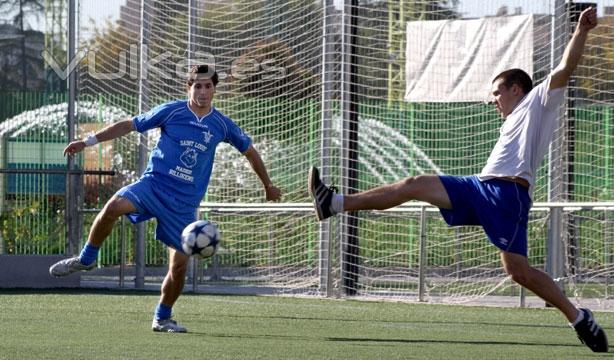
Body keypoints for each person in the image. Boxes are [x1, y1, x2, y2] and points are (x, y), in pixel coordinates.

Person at [308, 7, 607, 353]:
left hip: (507, 194)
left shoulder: (538, 101)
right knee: (415, 184)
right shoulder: (512, 119)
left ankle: (578, 317)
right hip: (481, 186)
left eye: (497, 92)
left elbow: (564, 69)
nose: (493, 99)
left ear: (515, 88)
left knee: (519, 272)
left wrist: (581, 31)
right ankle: (334, 202)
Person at [50, 64, 282, 333]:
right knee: (114, 206)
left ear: (215, 89)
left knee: (179, 267)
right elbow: (129, 124)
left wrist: (268, 185)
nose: (203, 91)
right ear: (189, 87)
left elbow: (250, 152)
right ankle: (87, 259)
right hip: (154, 185)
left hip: (184, 205)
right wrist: (88, 142)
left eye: (208, 86)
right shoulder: (172, 110)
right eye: (198, 85)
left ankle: (162, 317)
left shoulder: (221, 125)